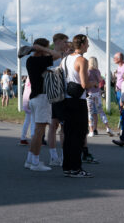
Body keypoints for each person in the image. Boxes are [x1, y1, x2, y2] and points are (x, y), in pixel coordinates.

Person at [23, 38, 65, 171]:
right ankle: (35, 162)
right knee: (39, 132)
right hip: (41, 98)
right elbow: (58, 55)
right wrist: (43, 49)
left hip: (34, 98)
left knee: (37, 131)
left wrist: (40, 49)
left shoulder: (30, 60)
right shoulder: (40, 60)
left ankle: (30, 160)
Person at [61, 34, 92, 178]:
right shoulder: (82, 60)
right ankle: (76, 168)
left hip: (66, 99)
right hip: (78, 100)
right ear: (83, 44)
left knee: (68, 135)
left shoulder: (65, 59)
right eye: (87, 43)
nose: (89, 46)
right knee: (79, 135)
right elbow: (84, 84)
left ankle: (67, 166)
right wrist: (96, 83)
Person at [47, 33, 70, 167]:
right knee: (54, 125)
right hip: (55, 94)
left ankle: (62, 155)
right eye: (65, 42)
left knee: (61, 126)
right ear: (58, 42)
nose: (67, 44)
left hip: (63, 94)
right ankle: (54, 155)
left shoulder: (66, 57)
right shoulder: (51, 56)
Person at [85, 56, 113, 137]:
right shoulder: (97, 71)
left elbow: (85, 82)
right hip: (97, 93)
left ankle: (91, 130)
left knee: (90, 112)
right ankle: (108, 128)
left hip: (90, 93)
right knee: (101, 111)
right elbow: (100, 80)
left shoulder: (88, 71)